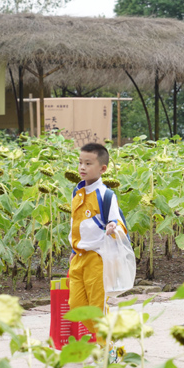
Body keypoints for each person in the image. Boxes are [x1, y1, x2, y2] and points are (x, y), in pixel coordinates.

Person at [68, 142, 127, 343]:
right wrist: (74, 247)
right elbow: (75, 225)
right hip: (79, 256)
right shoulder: (77, 193)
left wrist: (112, 228)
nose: (82, 167)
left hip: (97, 258)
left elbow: (118, 223)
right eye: (80, 163)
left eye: (88, 163)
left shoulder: (106, 195)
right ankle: (111, 338)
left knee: (97, 307)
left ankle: (108, 350)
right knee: (76, 305)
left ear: (103, 169)